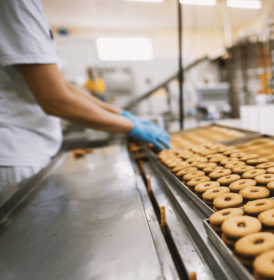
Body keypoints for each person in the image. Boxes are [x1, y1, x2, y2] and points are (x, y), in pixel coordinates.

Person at [0, 0, 170, 205]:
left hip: (30, 150)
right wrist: (131, 126)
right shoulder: (15, 4)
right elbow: (55, 100)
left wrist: (122, 115)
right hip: (15, 152)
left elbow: (64, 87)